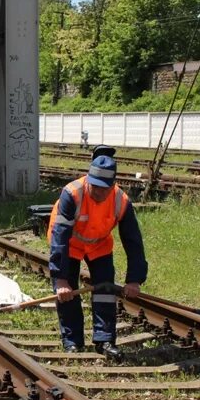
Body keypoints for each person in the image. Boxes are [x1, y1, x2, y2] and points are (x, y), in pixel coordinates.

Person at [47, 153, 147, 360]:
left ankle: (105, 340)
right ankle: (72, 341)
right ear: (88, 179)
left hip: (99, 245)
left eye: (104, 187)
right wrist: (61, 278)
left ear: (113, 185)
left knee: (105, 289)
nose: (99, 191)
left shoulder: (121, 201)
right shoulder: (72, 194)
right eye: (95, 186)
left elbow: (133, 241)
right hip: (69, 245)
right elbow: (60, 237)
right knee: (68, 292)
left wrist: (134, 279)